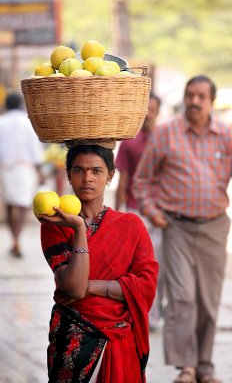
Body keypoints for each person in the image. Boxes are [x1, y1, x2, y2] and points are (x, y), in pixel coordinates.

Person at [132, 75, 232, 383]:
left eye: (201, 96)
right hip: (176, 227)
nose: (195, 101)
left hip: (215, 228)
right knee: (182, 296)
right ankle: (185, 366)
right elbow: (142, 180)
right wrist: (152, 211)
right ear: (184, 98)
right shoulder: (166, 134)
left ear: (211, 101)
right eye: (190, 95)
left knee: (208, 300)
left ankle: (205, 364)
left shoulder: (227, 135)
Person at [38, 143, 158, 383]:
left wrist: (90, 286)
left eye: (96, 171)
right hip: (72, 339)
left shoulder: (131, 226)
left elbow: (146, 286)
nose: (87, 178)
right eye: (79, 170)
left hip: (119, 340)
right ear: (69, 175)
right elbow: (72, 288)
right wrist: (79, 227)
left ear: (111, 175)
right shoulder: (55, 225)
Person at [115, 92, 164, 331]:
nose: (148, 114)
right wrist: (117, 212)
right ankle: (139, 312)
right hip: (136, 211)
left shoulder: (166, 140)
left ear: (158, 112)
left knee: (159, 266)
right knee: (138, 267)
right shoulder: (129, 142)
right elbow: (123, 178)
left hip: (164, 213)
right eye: (145, 109)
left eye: (153, 109)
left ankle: (154, 317)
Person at [0, 92, 44, 257]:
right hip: (25, 169)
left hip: (5, 169)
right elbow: (35, 149)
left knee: (10, 205)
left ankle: (14, 239)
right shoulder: (28, 123)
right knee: (23, 204)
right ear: (20, 104)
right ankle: (17, 239)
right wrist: (40, 171)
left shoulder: (1, 122)